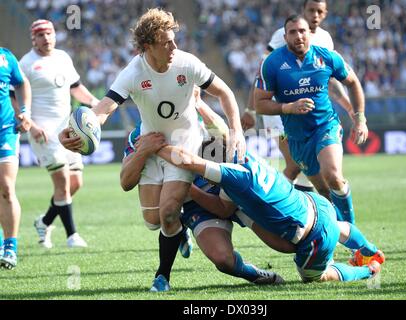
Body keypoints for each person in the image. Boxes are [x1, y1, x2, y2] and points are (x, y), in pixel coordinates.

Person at [59, 8, 246, 291]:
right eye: (166, 43)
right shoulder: (133, 72)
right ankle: (179, 229)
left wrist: (237, 131)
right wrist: (76, 132)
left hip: (184, 144)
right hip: (152, 144)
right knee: (153, 220)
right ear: (148, 47)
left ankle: (162, 277)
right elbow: (103, 110)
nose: (173, 47)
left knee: (168, 211)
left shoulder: (187, 63)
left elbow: (225, 93)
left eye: (174, 40)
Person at [140, 135, 385, 284]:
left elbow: (191, 161)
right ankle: (369, 249)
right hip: (314, 203)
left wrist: (152, 147)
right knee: (339, 227)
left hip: (312, 238)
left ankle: (367, 270)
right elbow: (224, 206)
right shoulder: (247, 157)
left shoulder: (233, 176)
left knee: (314, 277)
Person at [121, 123, 285, 291]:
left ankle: (308, 252)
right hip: (198, 204)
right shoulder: (139, 136)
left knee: (285, 243)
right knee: (223, 260)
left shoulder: (196, 118)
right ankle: (252, 273)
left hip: (232, 189)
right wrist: (144, 151)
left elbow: (226, 141)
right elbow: (126, 182)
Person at [254, 15, 368, 225]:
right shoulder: (271, 63)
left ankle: (354, 238)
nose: (299, 36)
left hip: (326, 126)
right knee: (324, 191)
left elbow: (353, 82)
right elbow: (259, 103)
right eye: (293, 32)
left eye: (302, 31)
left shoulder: (327, 56)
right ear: (285, 36)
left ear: (309, 33)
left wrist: (359, 118)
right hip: (297, 137)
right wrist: (288, 107)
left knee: (333, 175)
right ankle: (341, 233)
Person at [241, 0, 354, 194]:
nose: (315, 15)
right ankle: (274, 203)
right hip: (278, 114)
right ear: (303, 11)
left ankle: (312, 214)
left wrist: (350, 108)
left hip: (310, 116)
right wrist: (251, 109)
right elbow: (263, 72)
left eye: (320, 11)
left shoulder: (325, 39)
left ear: (326, 13)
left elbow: (330, 82)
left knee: (308, 172)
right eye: (311, 10)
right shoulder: (282, 36)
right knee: (294, 166)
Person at [20, 19, 100, 249]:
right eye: (41, 34)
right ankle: (72, 235)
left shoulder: (63, 57)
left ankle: (43, 222)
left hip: (67, 130)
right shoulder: (26, 64)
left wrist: (96, 103)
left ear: (55, 35)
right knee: (63, 182)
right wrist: (31, 125)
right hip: (43, 132)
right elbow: (15, 99)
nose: (46, 38)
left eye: (49, 33)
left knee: (75, 183)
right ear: (33, 38)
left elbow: (75, 87)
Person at [0, 47, 32, 269]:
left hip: (5, 129)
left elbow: (21, 83)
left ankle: (10, 246)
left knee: (6, 188)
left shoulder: (5, 56)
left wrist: (25, 111)